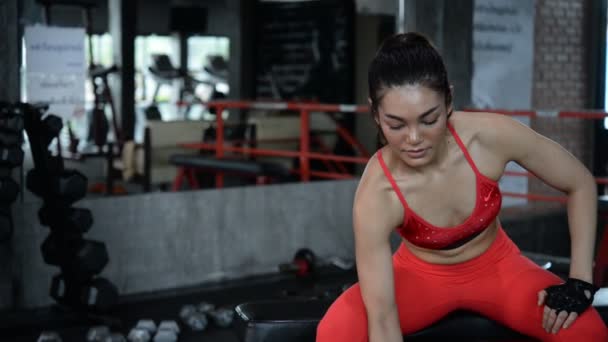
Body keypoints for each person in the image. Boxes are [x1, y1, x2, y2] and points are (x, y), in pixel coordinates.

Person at [316, 32, 608, 342]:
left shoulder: (489, 137)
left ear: (449, 102)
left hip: (499, 267)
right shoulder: (378, 191)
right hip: (418, 278)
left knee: (587, 332)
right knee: (336, 330)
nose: (414, 138)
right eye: (397, 125)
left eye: (429, 120)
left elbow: (580, 183)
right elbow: (383, 322)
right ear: (376, 114)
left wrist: (580, 281)